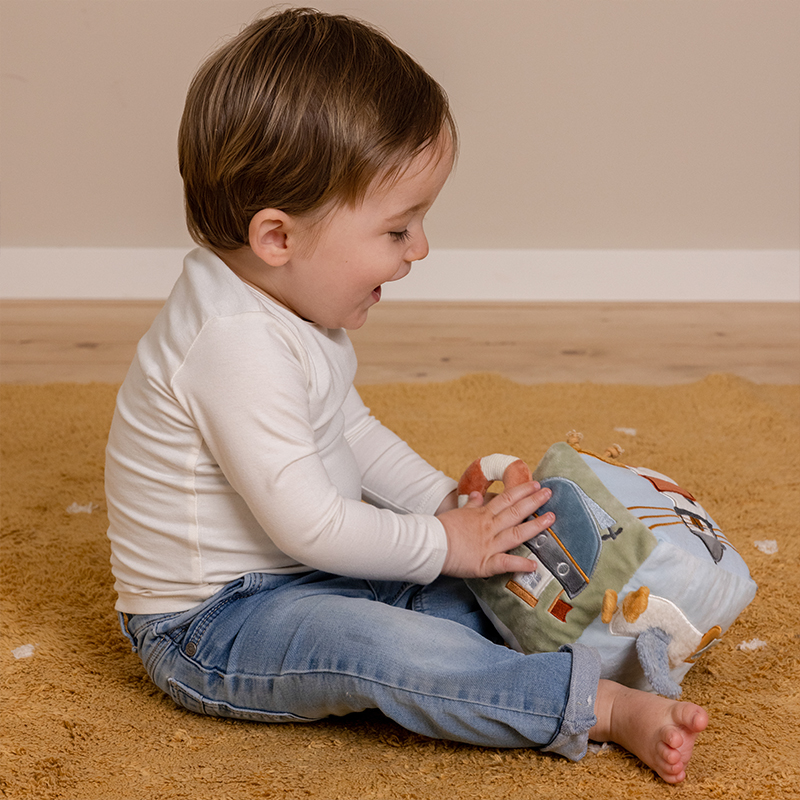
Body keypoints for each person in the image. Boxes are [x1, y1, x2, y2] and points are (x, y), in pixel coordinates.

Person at [105, 7, 707, 784]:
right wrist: (443, 543)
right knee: (389, 650)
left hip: (312, 571)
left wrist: (448, 510)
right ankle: (596, 707)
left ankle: (598, 638)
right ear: (278, 238)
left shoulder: (290, 303)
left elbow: (350, 432)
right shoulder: (233, 344)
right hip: (215, 623)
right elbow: (310, 525)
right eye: (398, 230)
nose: (420, 247)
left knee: (479, 581)